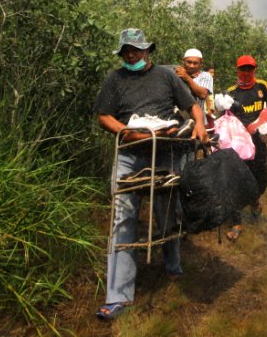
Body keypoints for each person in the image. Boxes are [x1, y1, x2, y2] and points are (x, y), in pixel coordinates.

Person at [93, 28, 208, 320]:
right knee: (122, 217)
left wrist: (199, 124)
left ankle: (172, 265)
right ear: (121, 54)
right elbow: (104, 115)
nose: (130, 55)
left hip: (164, 149)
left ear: (146, 51)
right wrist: (126, 132)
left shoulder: (167, 75)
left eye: (135, 49)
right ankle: (118, 295)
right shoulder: (115, 79)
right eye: (125, 51)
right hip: (130, 152)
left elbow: (192, 105)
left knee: (167, 211)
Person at [225, 55, 267, 241]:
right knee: (236, 177)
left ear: (255, 70)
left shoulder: (263, 86)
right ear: (237, 70)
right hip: (239, 142)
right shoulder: (231, 92)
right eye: (243, 69)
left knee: (260, 176)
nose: (246, 73)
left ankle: (255, 200)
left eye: (250, 69)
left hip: (259, 138)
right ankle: (236, 222)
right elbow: (226, 117)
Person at [175, 48, 213, 126]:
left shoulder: (206, 76)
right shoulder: (175, 75)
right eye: (189, 62)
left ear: (201, 64)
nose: (192, 66)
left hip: (197, 123)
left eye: (195, 63)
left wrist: (187, 78)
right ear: (183, 61)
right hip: (176, 122)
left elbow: (203, 94)